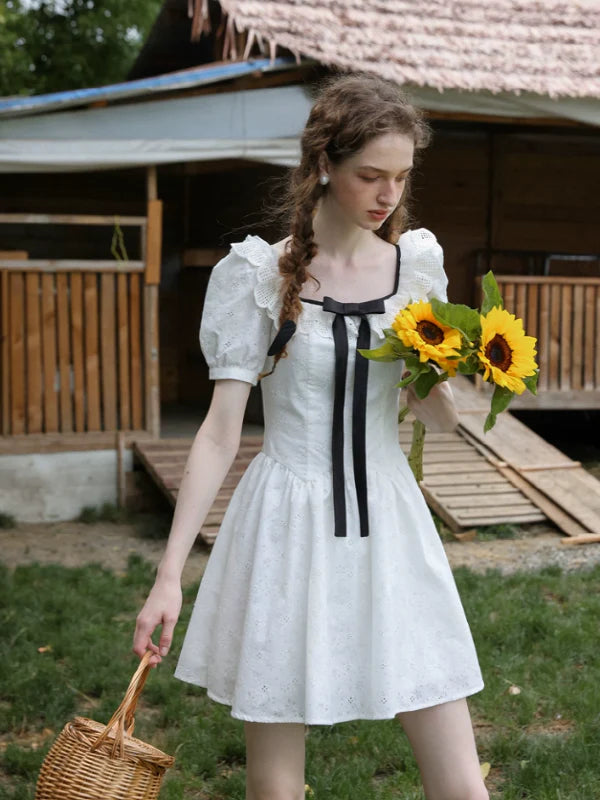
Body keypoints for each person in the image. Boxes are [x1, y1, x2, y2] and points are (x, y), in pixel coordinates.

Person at [134, 73, 488, 800]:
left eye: (401, 177)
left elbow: (442, 421)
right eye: (371, 175)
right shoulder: (259, 275)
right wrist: (169, 576)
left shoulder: (417, 269)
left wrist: (434, 382)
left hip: (390, 519)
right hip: (286, 524)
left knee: (460, 779)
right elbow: (218, 435)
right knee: (275, 786)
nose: (388, 194)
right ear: (325, 163)